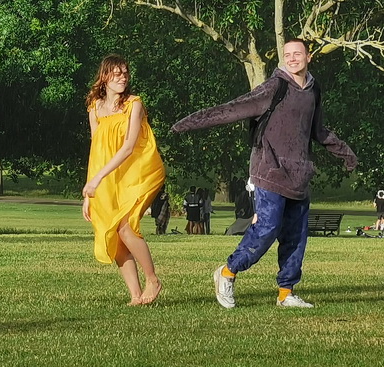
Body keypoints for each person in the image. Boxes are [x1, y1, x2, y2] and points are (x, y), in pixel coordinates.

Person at [171, 39, 357, 308]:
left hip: (299, 176)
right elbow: (234, 108)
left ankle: (286, 294)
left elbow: (318, 131)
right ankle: (227, 272)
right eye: (287, 55)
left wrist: (345, 153)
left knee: (295, 237)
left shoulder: (314, 90)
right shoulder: (275, 86)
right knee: (266, 229)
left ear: (309, 57)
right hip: (269, 171)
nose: (292, 59)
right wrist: (189, 123)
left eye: (297, 54)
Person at [82, 54, 165, 306]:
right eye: (116, 73)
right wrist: (89, 192)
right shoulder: (94, 107)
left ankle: (153, 280)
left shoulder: (134, 104)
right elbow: (95, 150)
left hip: (138, 172)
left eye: (125, 73)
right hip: (109, 176)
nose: (122, 77)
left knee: (125, 226)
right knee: (113, 234)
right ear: (104, 76)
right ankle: (135, 295)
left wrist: (97, 179)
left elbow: (129, 147)